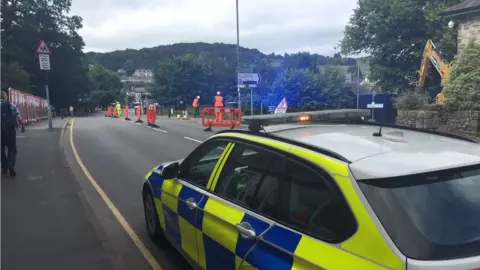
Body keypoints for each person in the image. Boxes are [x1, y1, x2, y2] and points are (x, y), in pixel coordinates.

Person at [1, 91, 25, 177]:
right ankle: (10, 164)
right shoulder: (10, 105)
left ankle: (4, 167)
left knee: (1, 150)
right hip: (10, 131)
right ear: (5, 97)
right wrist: (22, 125)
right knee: (12, 149)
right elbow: (19, 117)